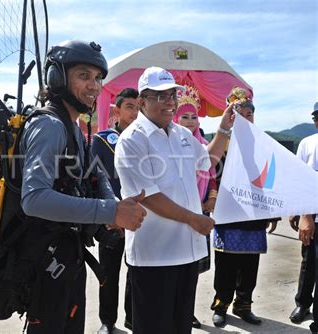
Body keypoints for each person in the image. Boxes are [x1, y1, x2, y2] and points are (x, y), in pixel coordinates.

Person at [19, 40, 146, 334]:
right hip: (47, 259)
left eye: (98, 78)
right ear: (57, 78)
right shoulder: (50, 125)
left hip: (67, 254)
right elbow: (34, 199)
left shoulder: (74, 127)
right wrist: (110, 211)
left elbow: (95, 174)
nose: (94, 86)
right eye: (84, 75)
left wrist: (113, 204)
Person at [114, 66, 233, 334]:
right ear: (143, 101)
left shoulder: (182, 134)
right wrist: (195, 219)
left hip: (186, 252)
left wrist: (224, 129)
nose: (170, 102)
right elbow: (149, 197)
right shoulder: (132, 140)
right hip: (155, 255)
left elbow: (208, 161)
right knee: (154, 328)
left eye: (172, 95)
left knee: (180, 327)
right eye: (161, 96)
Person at [210, 87, 279, 327]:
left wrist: (272, 210)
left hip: (254, 214)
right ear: (230, 115)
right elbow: (211, 176)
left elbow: (270, 177)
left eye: (249, 114)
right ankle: (221, 304)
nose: (246, 118)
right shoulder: (221, 142)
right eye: (240, 113)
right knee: (226, 267)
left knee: (250, 266)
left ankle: (244, 304)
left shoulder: (261, 143)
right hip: (229, 214)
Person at [91, 88, 139, 334]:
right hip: (111, 219)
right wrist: (110, 213)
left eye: (138, 106)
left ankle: (133, 318)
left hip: (139, 219)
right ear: (117, 111)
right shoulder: (101, 141)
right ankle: (107, 321)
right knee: (108, 273)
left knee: (137, 271)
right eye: (129, 106)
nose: (135, 111)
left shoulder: (145, 140)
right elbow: (96, 179)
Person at [173, 84, 218, 329]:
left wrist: (211, 197)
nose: (190, 122)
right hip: (177, 212)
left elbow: (211, 173)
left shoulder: (204, 143)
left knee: (194, 268)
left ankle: (186, 311)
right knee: (175, 266)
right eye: (185, 117)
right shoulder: (173, 142)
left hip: (201, 210)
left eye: (193, 117)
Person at [294, 103, 318, 332]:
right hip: (313, 217)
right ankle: (302, 304)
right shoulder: (307, 144)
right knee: (308, 263)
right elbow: (300, 181)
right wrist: (304, 215)